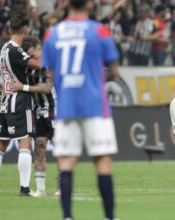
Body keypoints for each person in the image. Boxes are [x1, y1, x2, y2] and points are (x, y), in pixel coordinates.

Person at [42, 0, 119, 219]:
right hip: (95, 105)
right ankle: (110, 217)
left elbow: (51, 73)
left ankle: (67, 216)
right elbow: (114, 72)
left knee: (66, 161)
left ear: (66, 4)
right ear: (90, 5)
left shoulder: (52, 34)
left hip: (67, 105)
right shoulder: (100, 31)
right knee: (102, 160)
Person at [0, 14, 41, 197]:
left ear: (9, 30)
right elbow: (36, 65)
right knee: (25, 143)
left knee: (0, 145)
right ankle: (25, 188)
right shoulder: (16, 51)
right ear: (25, 31)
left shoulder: (3, 49)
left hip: (6, 99)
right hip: (19, 101)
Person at [9, 36, 55, 197]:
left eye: (32, 55)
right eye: (28, 56)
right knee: (40, 147)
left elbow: (47, 88)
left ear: (39, 49)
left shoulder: (49, 63)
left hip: (53, 108)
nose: (31, 59)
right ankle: (41, 190)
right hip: (37, 110)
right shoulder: (28, 66)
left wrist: (24, 87)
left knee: (59, 145)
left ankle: (65, 185)